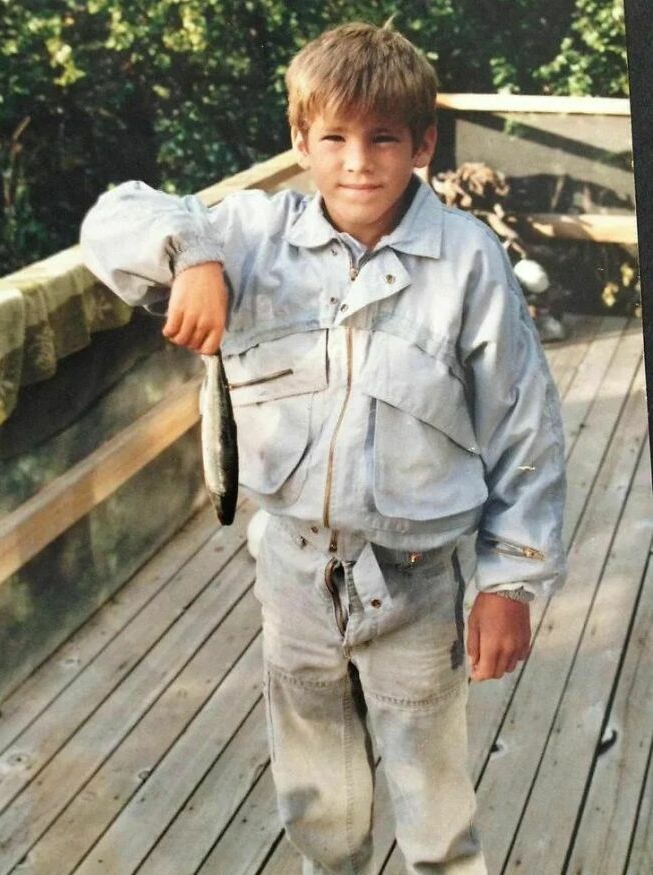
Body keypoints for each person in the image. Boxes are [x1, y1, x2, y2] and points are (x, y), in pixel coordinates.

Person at [80, 21, 566, 874]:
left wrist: (512, 581)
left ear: (422, 144)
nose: (357, 161)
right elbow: (110, 216)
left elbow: (524, 429)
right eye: (334, 137)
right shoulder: (251, 235)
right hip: (293, 575)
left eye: (384, 138)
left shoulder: (468, 263)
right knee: (318, 806)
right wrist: (192, 254)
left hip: (417, 583)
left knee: (434, 810)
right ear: (299, 141)